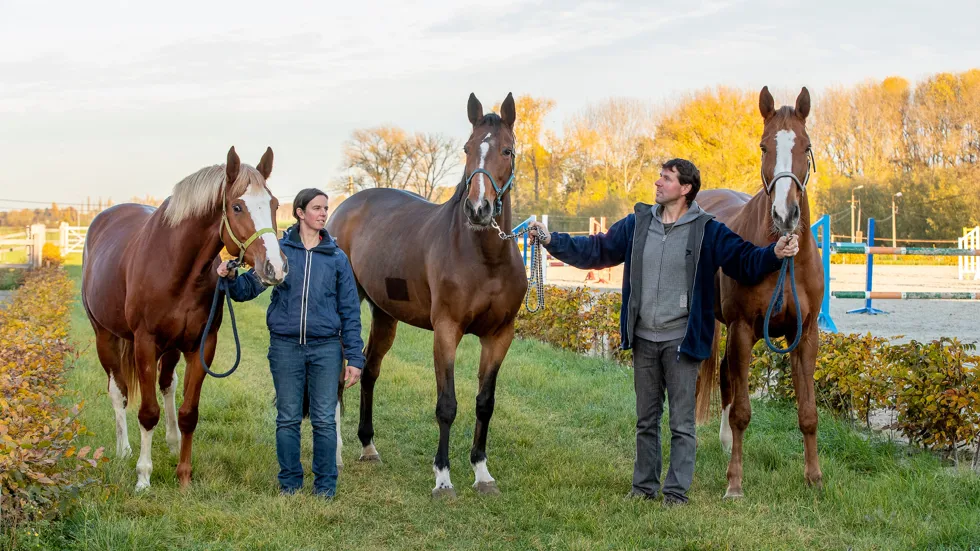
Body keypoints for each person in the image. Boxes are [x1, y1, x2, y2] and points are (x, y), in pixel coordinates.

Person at [528, 159, 799, 506]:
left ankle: (675, 492)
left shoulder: (707, 229)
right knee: (646, 420)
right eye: (660, 176)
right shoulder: (638, 224)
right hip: (644, 338)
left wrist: (774, 253)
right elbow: (596, 249)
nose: (657, 183)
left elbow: (743, 260)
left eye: (666, 178)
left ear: (685, 189)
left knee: (682, 425)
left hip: (682, 341)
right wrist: (552, 240)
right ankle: (643, 488)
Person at [217, 187, 365, 499]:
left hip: (326, 349)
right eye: (317, 208)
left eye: (326, 208)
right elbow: (246, 289)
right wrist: (229, 279)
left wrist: (354, 357)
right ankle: (290, 485)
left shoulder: (338, 259)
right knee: (287, 419)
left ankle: (325, 486)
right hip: (285, 348)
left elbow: (350, 311)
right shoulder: (280, 253)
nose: (324, 213)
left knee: (325, 420)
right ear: (299, 213)